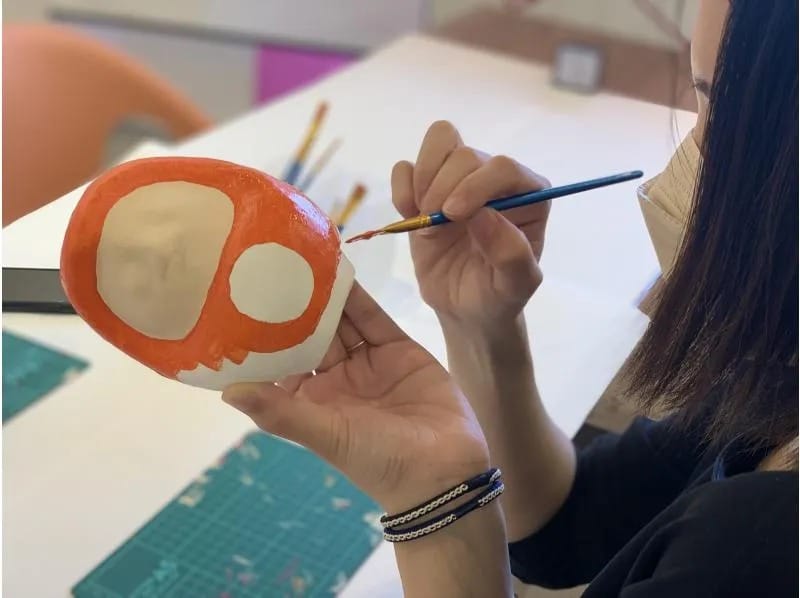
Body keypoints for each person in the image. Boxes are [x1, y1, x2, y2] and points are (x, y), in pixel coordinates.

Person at [223, 1, 798, 595]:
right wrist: (480, 326)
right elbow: (564, 527)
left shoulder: (759, 551)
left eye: (725, 112)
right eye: (700, 104)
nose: (687, 158)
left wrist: (429, 497)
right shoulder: (779, 383)